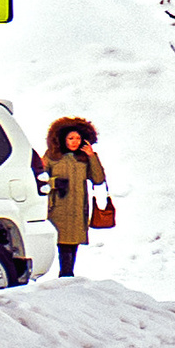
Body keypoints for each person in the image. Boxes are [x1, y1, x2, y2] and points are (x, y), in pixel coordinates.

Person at [43, 117, 107, 276]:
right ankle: (66, 274)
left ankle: (67, 274)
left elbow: (98, 179)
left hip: (78, 208)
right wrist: (54, 183)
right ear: (63, 139)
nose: (75, 142)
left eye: (78, 138)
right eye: (71, 138)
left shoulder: (84, 158)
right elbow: (40, 179)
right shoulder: (52, 156)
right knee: (63, 243)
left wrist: (92, 156)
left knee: (73, 243)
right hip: (58, 207)